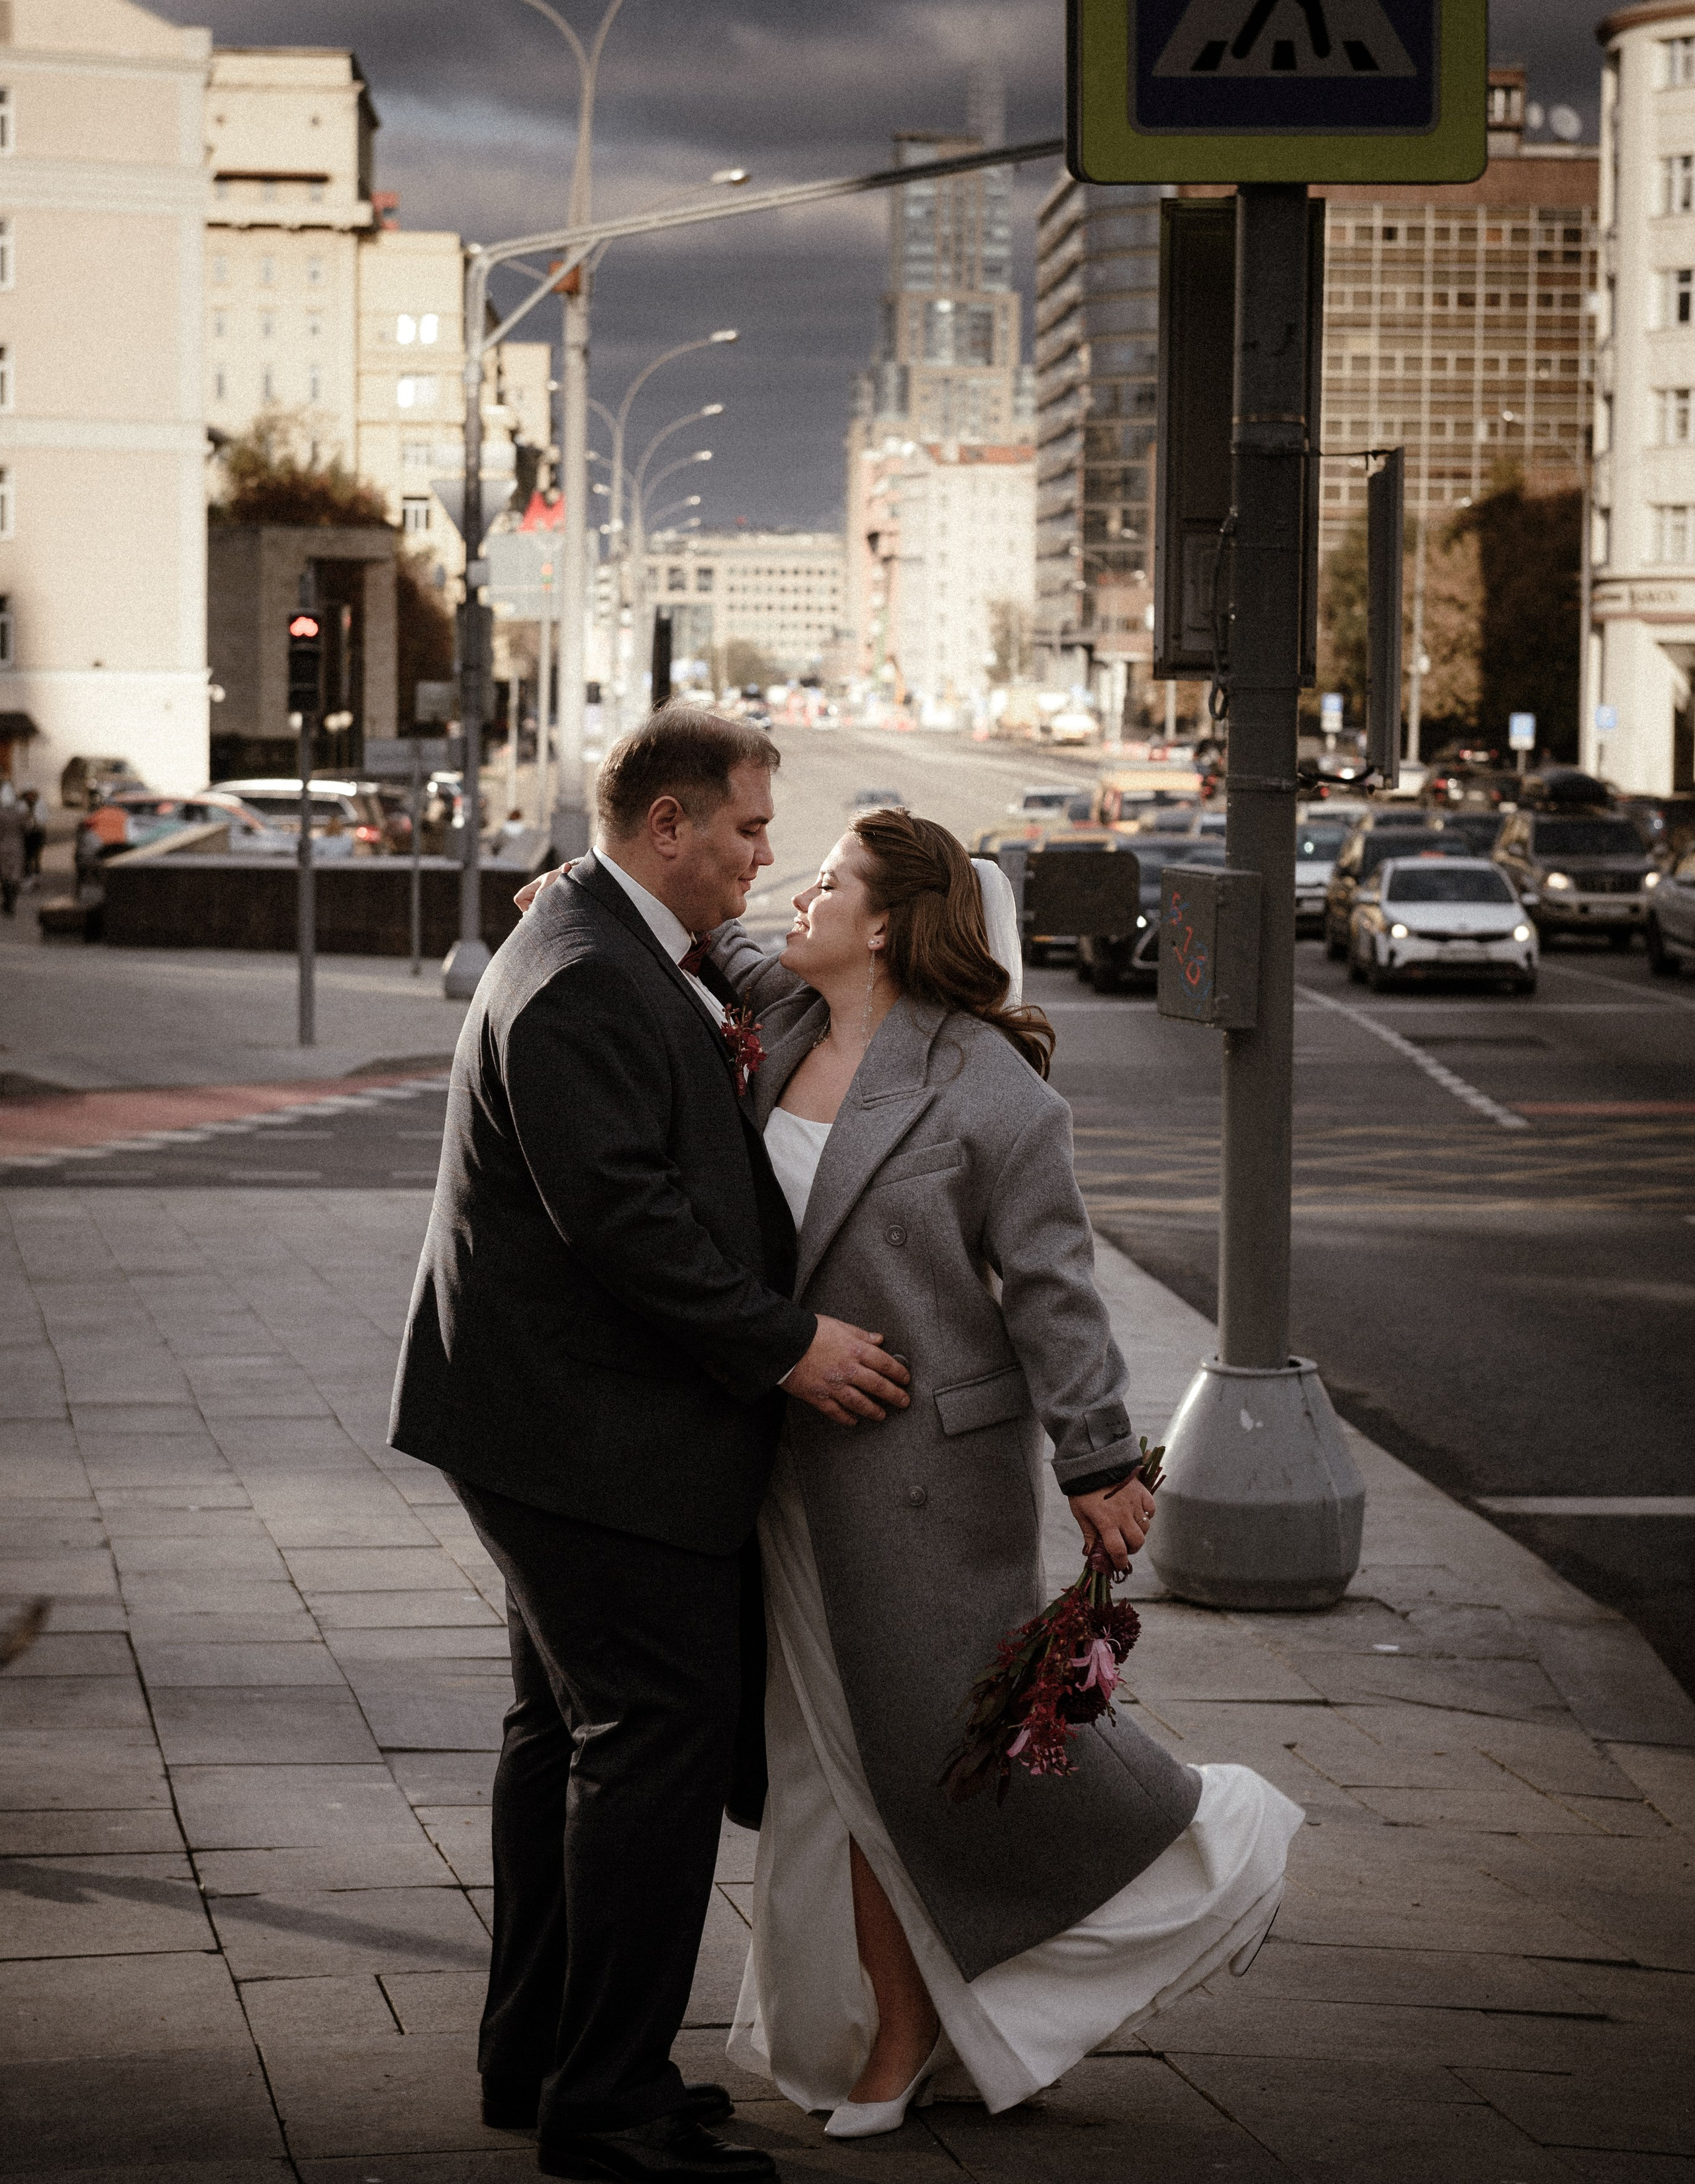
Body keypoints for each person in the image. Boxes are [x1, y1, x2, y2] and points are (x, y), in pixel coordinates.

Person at [712, 810, 1302, 2131]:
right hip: (783, 1476)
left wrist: (1098, 1459)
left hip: (924, 1484)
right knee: (825, 1760)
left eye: (829, 883)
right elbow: (701, 935)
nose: (798, 897)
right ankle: (896, 2027)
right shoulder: (787, 1021)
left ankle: (1184, 1851)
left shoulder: (990, 1086)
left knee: (907, 1759)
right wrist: (579, 883)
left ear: (888, 923)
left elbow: (1055, 1290)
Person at [388, 711, 912, 2184]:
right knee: (654, 1741)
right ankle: (605, 2101)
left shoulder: (606, 934)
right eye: (747, 829)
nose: (765, 856)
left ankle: (540, 2057)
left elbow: (718, 1019)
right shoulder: (573, 982)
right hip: (584, 1434)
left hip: (549, 1412)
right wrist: (787, 1345)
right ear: (666, 827)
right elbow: (623, 1224)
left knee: (560, 1730)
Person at [0, 784, 25, 918]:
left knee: (5, 876)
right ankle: (12, 903)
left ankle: (7, 902)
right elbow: (27, 827)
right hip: (17, 846)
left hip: (3, 846)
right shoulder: (19, 813)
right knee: (15, 876)